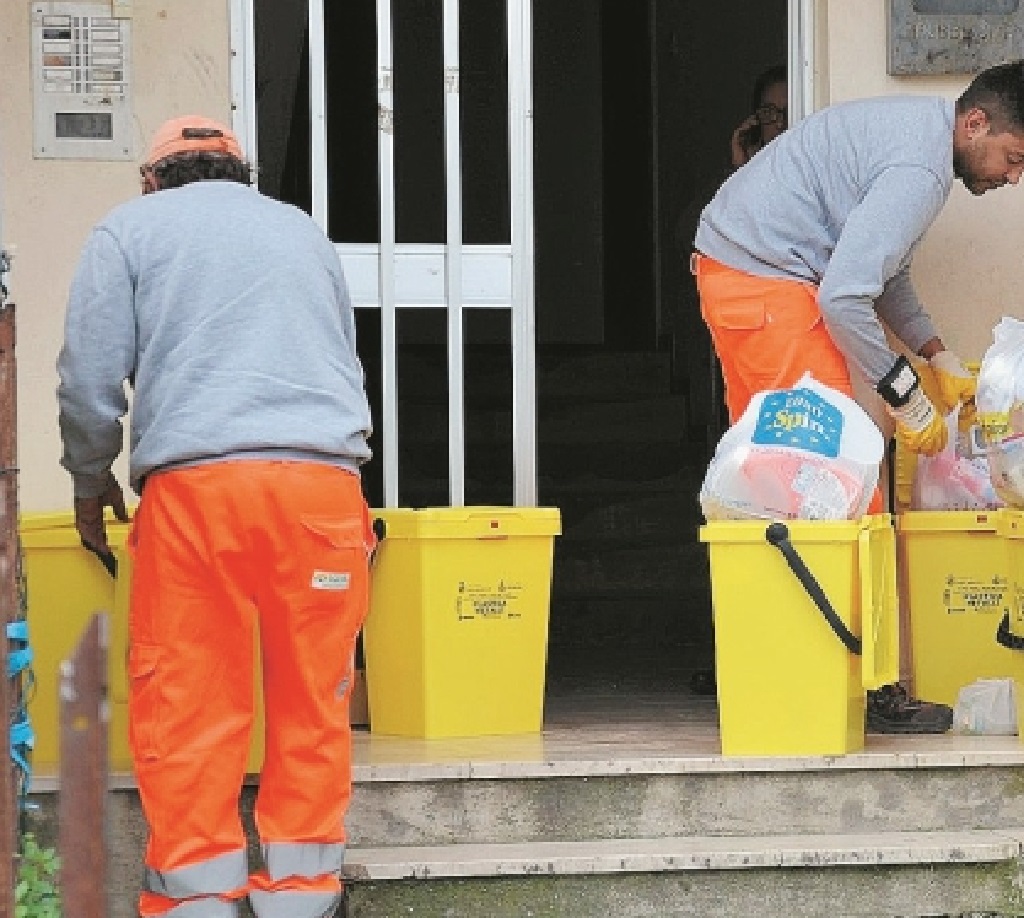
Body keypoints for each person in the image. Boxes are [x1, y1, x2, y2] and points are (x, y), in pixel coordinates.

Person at [57, 115, 375, 918]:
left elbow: (89, 380)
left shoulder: (129, 229)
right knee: (313, 697)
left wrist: (90, 479)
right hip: (322, 491)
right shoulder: (301, 232)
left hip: (199, 493)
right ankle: (304, 894)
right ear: (243, 178)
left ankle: (199, 899)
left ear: (152, 179)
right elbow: (342, 354)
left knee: (189, 697)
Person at [691, 62, 1024, 730]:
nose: (1013, 177)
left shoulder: (920, 141)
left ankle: (768, 659)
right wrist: (911, 400)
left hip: (752, 279)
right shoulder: (923, 169)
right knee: (829, 485)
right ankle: (864, 687)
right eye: (1015, 158)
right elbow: (845, 294)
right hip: (768, 286)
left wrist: (937, 355)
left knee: (769, 492)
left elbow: (883, 270)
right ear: (976, 122)